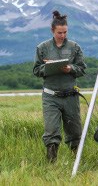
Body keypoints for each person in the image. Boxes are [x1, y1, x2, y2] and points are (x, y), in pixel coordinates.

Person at [33, 10, 87, 163]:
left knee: (75, 132)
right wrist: (48, 67)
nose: (62, 35)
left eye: (65, 32)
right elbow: (36, 70)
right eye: (59, 33)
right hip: (50, 96)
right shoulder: (42, 48)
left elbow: (82, 68)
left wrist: (71, 69)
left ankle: (76, 162)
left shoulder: (74, 47)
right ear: (52, 31)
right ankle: (51, 164)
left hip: (70, 95)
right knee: (51, 131)